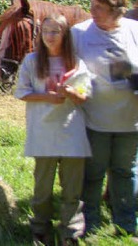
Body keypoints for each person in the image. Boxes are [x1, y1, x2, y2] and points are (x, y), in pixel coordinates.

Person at [14, 15, 91, 245]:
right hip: (43, 132)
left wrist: (70, 93)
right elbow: (22, 92)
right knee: (42, 188)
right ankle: (40, 228)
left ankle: (71, 232)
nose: (49, 36)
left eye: (55, 32)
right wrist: (47, 97)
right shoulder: (32, 61)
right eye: (46, 31)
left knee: (72, 189)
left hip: (72, 133)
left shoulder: (75, 62)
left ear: (65, 35)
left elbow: (83, 96)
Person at [71, 0, 138, 237]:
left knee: (125, 172)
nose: (93, 11)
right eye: (92, 5)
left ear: (117, 8)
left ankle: (126, 225)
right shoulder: (79, 33)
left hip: (130, 120)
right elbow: (69, 69)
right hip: (93, 119)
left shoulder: (135, 31)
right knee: (92, 173)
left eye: (99, 7)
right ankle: (89, 224)